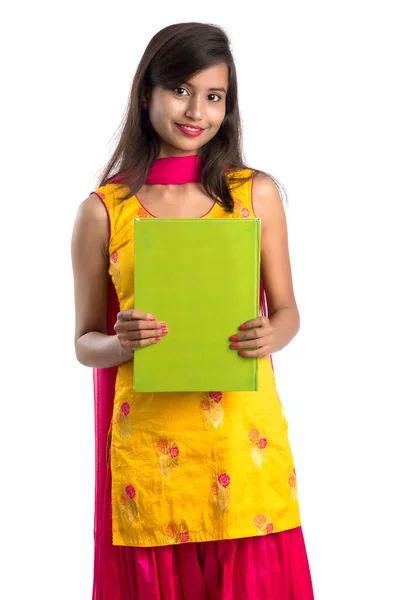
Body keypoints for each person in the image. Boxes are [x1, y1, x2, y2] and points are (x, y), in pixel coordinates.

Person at [71, 21, 315, 600]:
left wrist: (268, 335)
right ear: (146, 93)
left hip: (239, 439)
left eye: (214, 96)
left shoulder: (252, 195)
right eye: (181, 90)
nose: (196, 111)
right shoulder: (105, 212)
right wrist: (119, 342)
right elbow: (85, 341)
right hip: (152, 452)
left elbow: (287, 313)